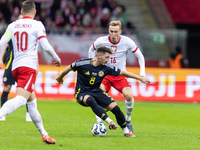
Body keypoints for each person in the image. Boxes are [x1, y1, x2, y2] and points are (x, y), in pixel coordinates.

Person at [0, 0, 61, 144]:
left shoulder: (12, 25)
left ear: (21, 12)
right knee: (21, 99)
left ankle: (44, 134)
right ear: (34, 12)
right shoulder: (37, 25)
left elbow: (2, 42)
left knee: (32, 102)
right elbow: (45, 46)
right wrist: (56, 58)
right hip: (28, 67)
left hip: (15, 67)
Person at [56, 46, 150, 137]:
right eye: (107, 57)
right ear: (99, 56)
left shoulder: (106, 67)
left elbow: (122, 72)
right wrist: (60, 77)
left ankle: (126, 130)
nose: (108, 60)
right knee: (90, 100)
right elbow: (69, 67)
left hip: (97, 91)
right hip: (82, 93)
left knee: (115, 108)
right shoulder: (83, 63)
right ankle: (109, 121)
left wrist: (139, 78)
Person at [88, 20, 146, 133]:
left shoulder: (127, 41)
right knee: (98, 94)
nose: (113, 34)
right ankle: (99, 123)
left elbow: (140, 56)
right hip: (104, 74)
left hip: (119, 74)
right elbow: (91, 49)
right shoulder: (101, 40)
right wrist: (92, 66)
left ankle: (128, 120)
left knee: (129, 95)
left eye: (115, 32)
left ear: (120, 31)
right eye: (111, 31)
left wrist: (142, 73)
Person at [0, 32, 32, 122]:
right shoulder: (14, 31)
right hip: (10, 64)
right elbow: (5, 45)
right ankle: (2, 113)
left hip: (23, 65)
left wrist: (36, 65)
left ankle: (29, 113)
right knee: (6, 88)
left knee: (27, 90)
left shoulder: (28, 35)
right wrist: (0, 58)